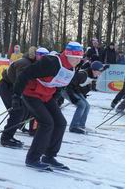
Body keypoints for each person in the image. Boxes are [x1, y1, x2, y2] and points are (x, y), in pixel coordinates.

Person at [12, 42, 84, 170]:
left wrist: (57, 97)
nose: (77, 61)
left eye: (79, 58)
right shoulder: (52, 62)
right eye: (75, 57)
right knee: (47, 123)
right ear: (67, 55)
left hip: (47, 95)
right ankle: (32, 158)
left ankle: (49, 156)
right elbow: (25, 74)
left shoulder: (71, 67)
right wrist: (16, 96)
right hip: (31, 93)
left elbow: (61, 84)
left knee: (61, 122)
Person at [0, 46, 38, 148]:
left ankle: (12, 132)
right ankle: (6, 138)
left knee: (22, 109)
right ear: (34, 56)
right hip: (7, 86)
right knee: (16, 111)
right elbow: (19, 81)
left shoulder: (30, 62)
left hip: (11, 86)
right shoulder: (26, 64)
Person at [64, 61, 106, 134]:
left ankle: (81, 125)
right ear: (93, 70)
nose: (100, 74)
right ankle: (74, 126)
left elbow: (80, 87)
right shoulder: (83, 74)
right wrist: (72, 97)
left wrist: (83, 93)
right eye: (99, 72)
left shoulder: (92, 75)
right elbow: (69, 85)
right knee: (81, 105)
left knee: (87, 106)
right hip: (66, 90)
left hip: (75, 90)